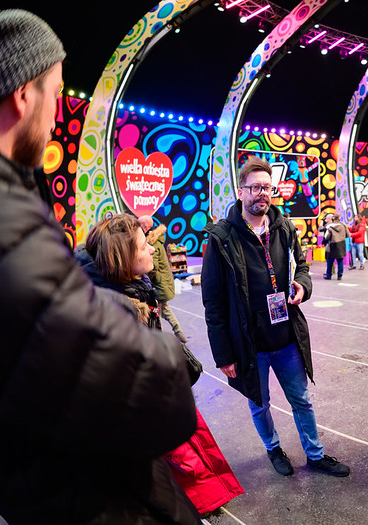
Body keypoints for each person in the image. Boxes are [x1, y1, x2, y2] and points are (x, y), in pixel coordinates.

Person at [0, 9, 200, 524]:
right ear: (22, 95)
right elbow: (142, 391)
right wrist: (168, 354)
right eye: (54, 94)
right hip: (87, 492)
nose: (55, 117)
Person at [76, 214, 244, 515]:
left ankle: (202, 503)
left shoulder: (132, 287)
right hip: (146, 412)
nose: (153, 249)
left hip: (157, 399)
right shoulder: (113, 310)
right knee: (177, 461)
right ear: (124, 258)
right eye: (144, 246)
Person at [202, 156, 350, 478]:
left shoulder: (284, 228)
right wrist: (223, 355)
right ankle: (273, 448)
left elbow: (303, 266)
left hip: (286, 338)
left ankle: (315, 454)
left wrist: (303, 286)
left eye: (267, 187)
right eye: (255, 187)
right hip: (249, 343)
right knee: (259, 404)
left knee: (302, 401)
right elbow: (213, 303)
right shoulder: (221, 237)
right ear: (241, 191)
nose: (262, 194)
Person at [139, 215, 189, 343]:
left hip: (159, 285)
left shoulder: (153, 244)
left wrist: (145, 279)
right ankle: (177, 332)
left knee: (157, 311)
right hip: (163, 283)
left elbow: (153, 266)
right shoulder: (158, 242)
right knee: (162, 310)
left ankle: (162, 335)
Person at [323, 213, 350, 280]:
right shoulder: (343, 226)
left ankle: (329, 275)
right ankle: (339, 275)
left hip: (332, 245)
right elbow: (348, 235)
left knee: (330, 261)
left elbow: (326, 237)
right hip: (341, 244)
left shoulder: (329, 226)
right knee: (340, 261)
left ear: (333, 219)